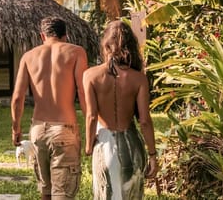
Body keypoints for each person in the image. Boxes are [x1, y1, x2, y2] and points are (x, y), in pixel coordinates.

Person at [11, 16, 88, 200]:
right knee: (63, 195)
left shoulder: (29, 56)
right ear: (65, 36)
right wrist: (90, 127)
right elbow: (83, 92)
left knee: (45, 192)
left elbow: (17, 98)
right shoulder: (76, 52)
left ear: (42, 35)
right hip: (64, 129)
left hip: (38, 130)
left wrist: (16, 129)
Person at [83, 20, 158, 200]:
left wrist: (88, 147)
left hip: (104, 146)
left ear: (106, 45)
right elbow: (145, 121)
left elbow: (92, 116)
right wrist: (153, 155)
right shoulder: (139, 79)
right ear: (130, 46)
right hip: (131, 144)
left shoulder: (90, 75)